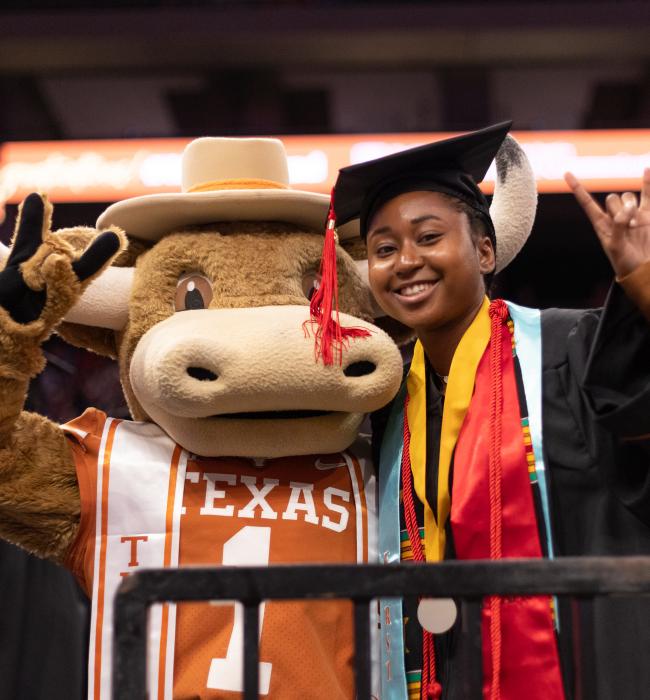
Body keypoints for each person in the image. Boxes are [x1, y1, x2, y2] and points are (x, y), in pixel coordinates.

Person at [313, 122, 650, 700]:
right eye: (384, 249)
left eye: (428, 237)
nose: (406, 262)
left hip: (578, 670)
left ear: (486, 250)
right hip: (440, 670)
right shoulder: (382, 394)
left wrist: (641, 280)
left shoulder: (571, 349)